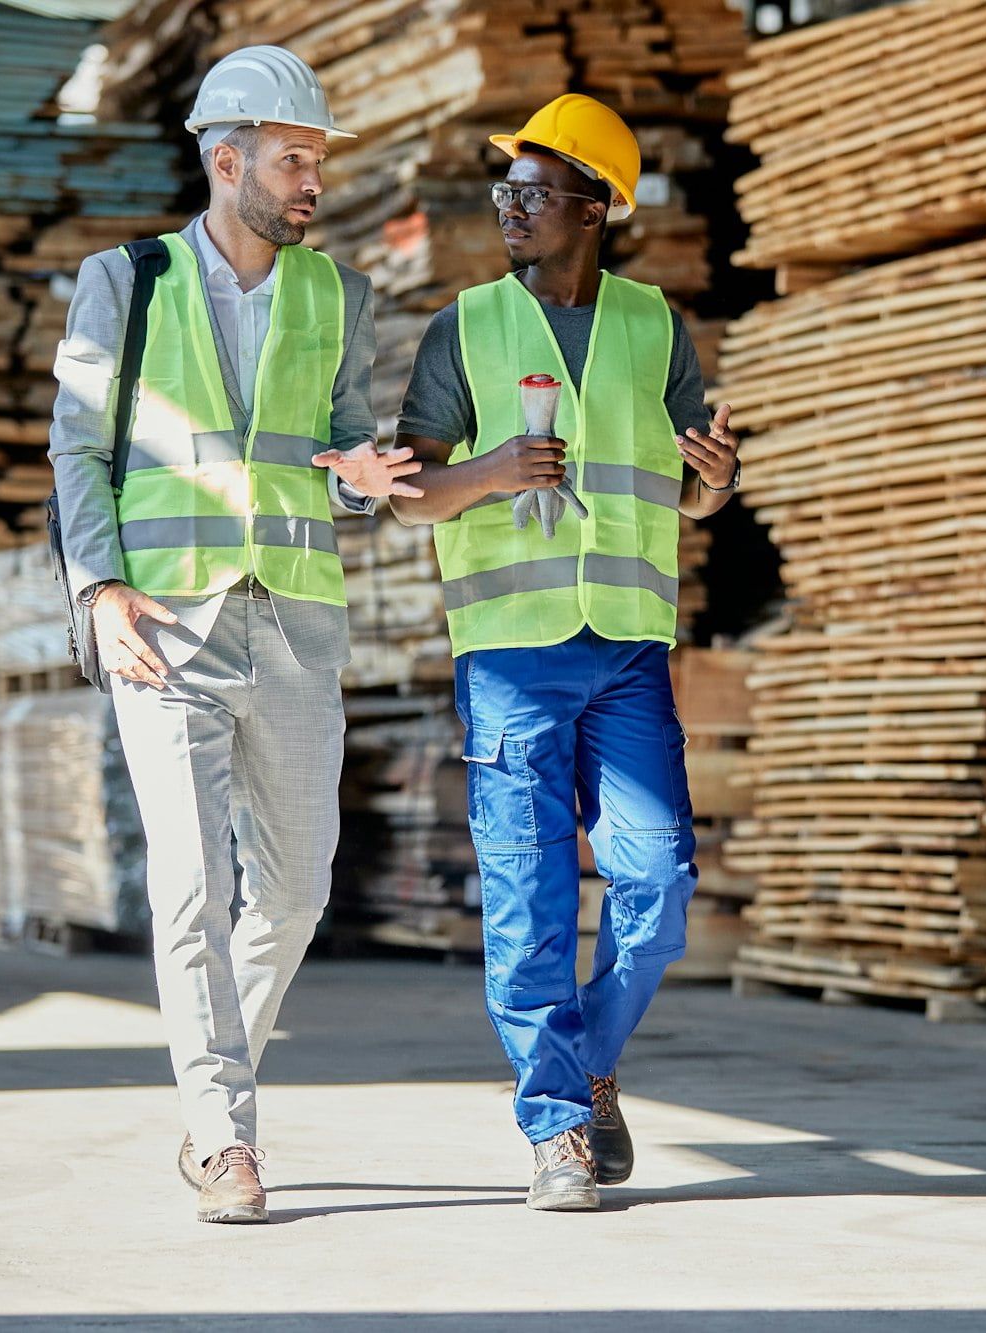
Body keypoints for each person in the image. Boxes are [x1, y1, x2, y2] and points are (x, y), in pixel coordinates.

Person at [47, 45, 422, 1225]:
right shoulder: (128, 281)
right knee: (191, 883)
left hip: (297, 625)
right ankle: (224, 1136)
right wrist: (98, 591)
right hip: (165, 624)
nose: (313, 179)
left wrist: (361, 482)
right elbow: (78, 448)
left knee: (298, 891)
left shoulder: (337, 293)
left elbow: (344, 454)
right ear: (227, 159)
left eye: (315, 159)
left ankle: (214, 1099)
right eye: (294, 158)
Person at [389, 93, 742, 1211]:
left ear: (598, 209)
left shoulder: (652, 328)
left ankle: (586, 1065)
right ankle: (554, 1129)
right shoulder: (466, 325)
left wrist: (716, 487)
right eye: (506, 192)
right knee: (529, 896)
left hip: (627, 647)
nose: (512, 210)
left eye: (535, 194)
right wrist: (487, 473)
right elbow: (405, 493)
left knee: (658, 880)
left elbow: (686, 487)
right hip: (509, 655)